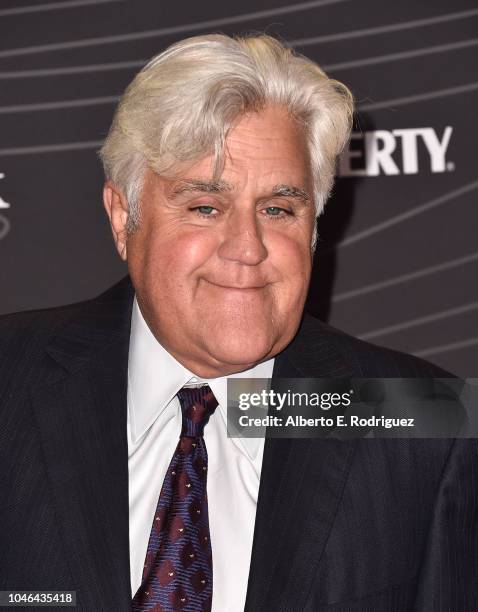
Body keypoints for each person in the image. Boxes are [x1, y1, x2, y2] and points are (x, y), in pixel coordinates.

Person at [0, 34, 476, 612]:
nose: (247, 249)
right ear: (124, 218)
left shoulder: (428, 425)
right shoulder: (10, 380)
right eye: (205, 206)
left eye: (278, 209)